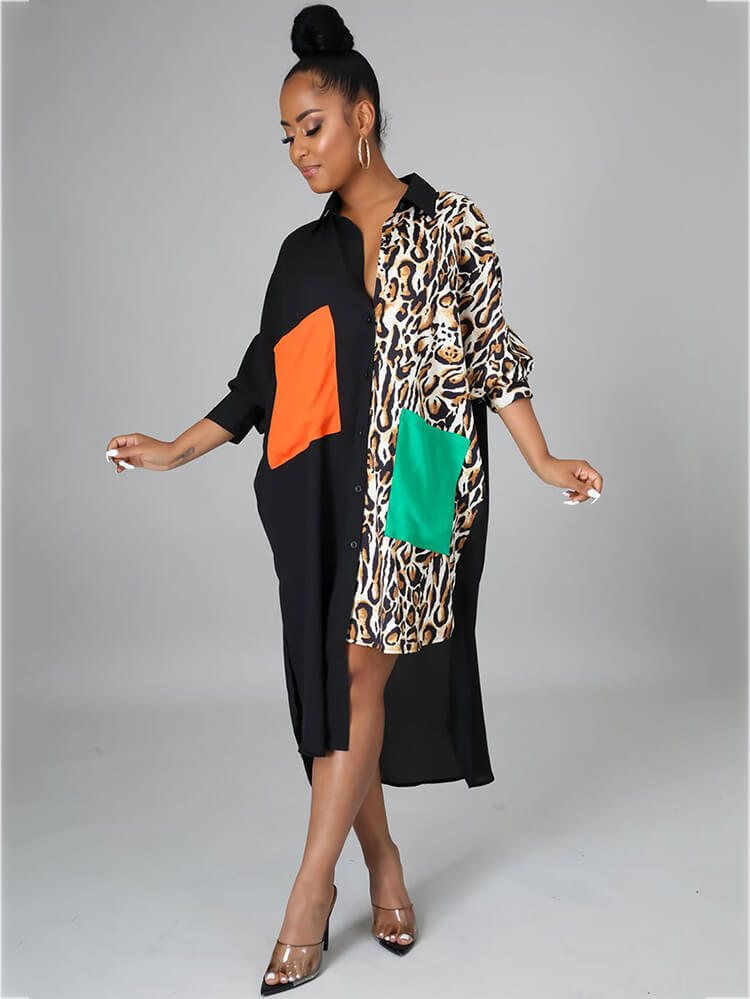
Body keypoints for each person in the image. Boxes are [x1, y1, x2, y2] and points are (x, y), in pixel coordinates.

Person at [105, 3, 604, 993]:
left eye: (313, 126)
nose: (299, 150)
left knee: (357, 672)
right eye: (286, 136)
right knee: (342, 687)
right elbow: (261, 379)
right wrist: (177, 449)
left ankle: (307, 894)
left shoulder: (454, 225)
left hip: (420, 483)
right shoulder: (304, 254)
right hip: (327, 490)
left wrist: (543, 458)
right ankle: (382, 861)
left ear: (362, 115)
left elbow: (493, 353)